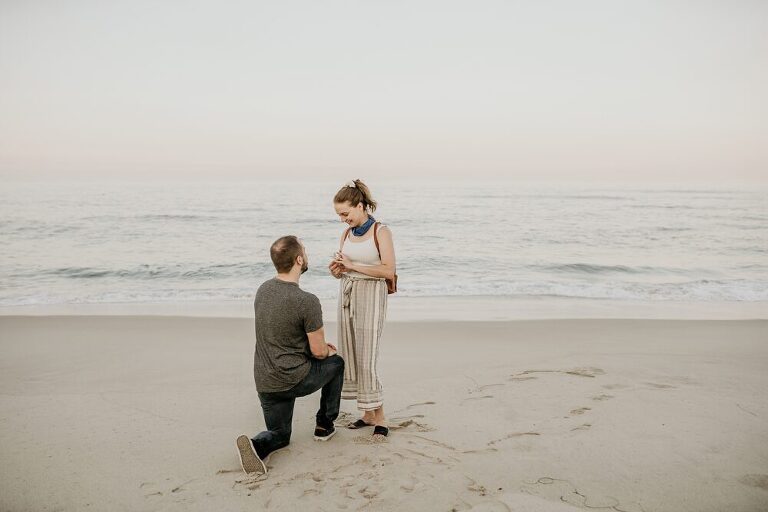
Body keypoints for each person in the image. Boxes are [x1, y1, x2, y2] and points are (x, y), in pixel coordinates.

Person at [236, 236, 344, 475]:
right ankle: (324, 426)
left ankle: (257, 445)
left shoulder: (263, 289)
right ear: (298, 259)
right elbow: (317, 352)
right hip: (293, 378)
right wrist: (327, 350)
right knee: (336, 363)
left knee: (280, 435)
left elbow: (282, 333)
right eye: (304, 251)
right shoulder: (307, 301)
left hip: (266, 381)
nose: (306, 254)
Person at [328, 179, 396, 439]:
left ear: (360, 206)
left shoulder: (381, 231)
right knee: (351, 356)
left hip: (371, 294)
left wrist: (353, 266)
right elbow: (346, 267)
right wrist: (338, 270)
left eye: (345, 213)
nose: (342, 219)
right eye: (338, 215)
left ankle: (380, 417)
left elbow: (388, 271)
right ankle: (367, 414)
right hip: (346, 292)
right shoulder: (346, 234)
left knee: (367, 357)